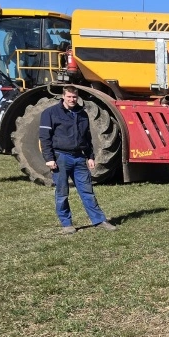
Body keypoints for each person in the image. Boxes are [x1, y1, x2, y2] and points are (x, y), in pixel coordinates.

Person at [40, 86, 117, 234]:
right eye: (69, 97)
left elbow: (87, 138)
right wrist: (49, 158)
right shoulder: (50, 113)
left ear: (77, 97)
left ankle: (99, 220)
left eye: (74, 97)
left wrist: (90, 156)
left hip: (79, 157)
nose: (72, 99)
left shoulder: (82, 114)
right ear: (63, 96)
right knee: (62, 192)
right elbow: (44, 137)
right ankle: (67, 224)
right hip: (60, 157)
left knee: (87, 191)